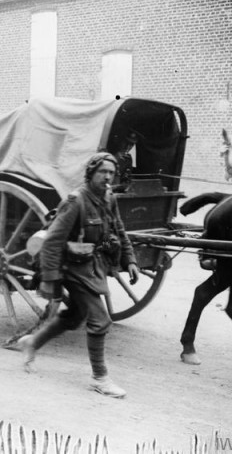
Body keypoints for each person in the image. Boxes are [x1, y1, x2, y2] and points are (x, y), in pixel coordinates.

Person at [18, 152, 139, 398]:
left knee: (75, 316)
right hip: (71, 268)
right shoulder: (76, 201)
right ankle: (100, 378)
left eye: (111, 173)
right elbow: (52, 241)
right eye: (102, 172)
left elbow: (119, 229)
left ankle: (32, 343)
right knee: (100, 320)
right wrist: (50, 280)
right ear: (91, 173)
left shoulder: (108, 198)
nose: (107, 177)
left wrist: (131, 260)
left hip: (92, 265)